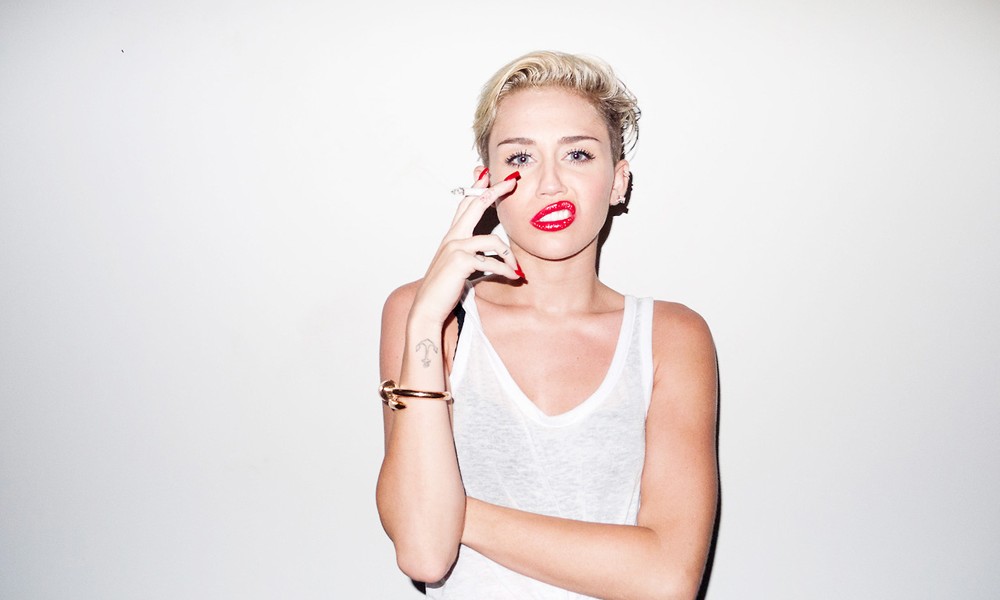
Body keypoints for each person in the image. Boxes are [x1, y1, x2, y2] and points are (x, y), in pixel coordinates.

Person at [376, 50, 719, 599]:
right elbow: (423, 552)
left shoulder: (671, 337)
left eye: (577, 154)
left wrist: (447, 509)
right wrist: (424, 321)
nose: (550, 184)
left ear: (618, 181)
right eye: (521, 158)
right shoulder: (425, 318)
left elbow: (667, 579)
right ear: (487, 182)